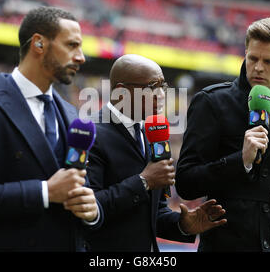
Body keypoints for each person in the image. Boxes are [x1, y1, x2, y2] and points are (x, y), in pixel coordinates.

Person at [0, 7, 103, 251]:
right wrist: (44, 192)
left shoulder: (73, 116)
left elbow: (81, 189)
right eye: (72, 46)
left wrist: (92, 211)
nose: (81, 57)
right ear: (38, 44)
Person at [176, 17, 270, 252]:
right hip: (231, 244)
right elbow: (186, 182)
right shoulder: (212, 102)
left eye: (269, 61)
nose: (258, 67)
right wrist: (239, 161)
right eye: (252, 58)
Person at [85, 54, 227, 252]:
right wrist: (143, 181)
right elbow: (88, 209)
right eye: (153, 86)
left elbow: (153, 214)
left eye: (163, 86)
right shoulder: (90, 133)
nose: (161, 94)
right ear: (121, 93)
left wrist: (183, 225)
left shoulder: (152, 134)